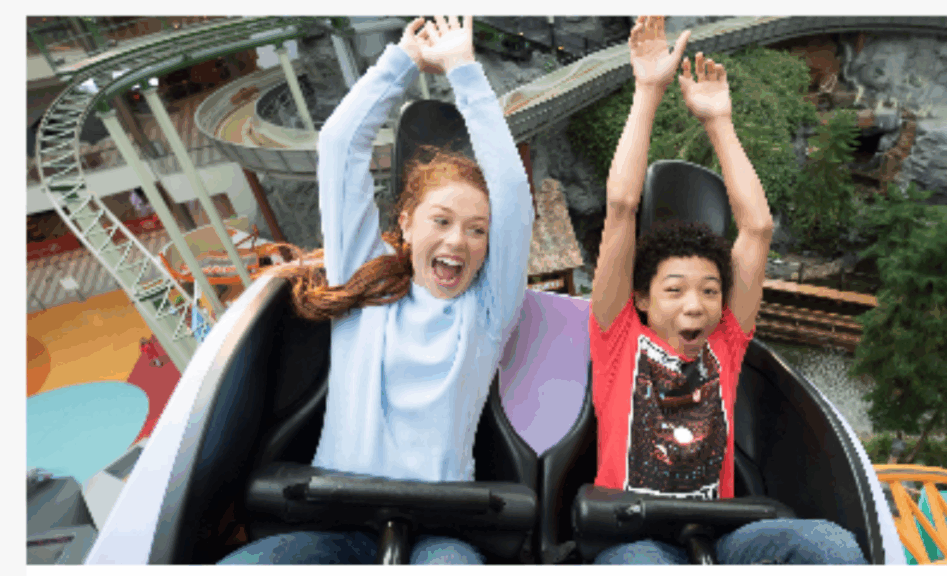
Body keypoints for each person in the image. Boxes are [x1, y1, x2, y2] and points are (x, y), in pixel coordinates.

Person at [217, 16, 533, 565]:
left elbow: (512, 195)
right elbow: (339, 145)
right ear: (406, 223)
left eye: (477, 229)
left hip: (439, 528)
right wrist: (402, 61)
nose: (458, 240)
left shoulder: (486, 312)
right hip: (341, 517)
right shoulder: (361, 282)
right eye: (441, 221)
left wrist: (463, 69)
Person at [587, 16, 867, 565]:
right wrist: (648, 91)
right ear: (642, 300)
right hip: (634, 537)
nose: (695, 304)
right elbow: (621, 207)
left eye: (710, 291)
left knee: (829, 544)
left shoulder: (725, 344)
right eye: (675, 290)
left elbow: (757, 228)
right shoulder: (618, 337)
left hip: (716, 532)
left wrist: (719, 122)